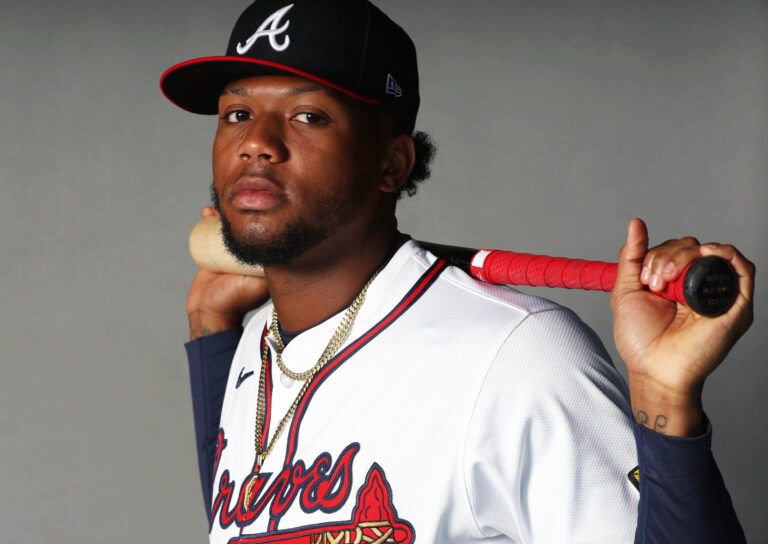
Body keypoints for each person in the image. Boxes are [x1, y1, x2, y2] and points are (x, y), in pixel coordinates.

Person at [161, 1, 754, 542]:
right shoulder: (258, 343)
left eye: (309, 116)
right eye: (237, 111)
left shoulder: (517, 356)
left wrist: (665, 400)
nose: (256, 143)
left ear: (391, 164)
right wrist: (210, 329)